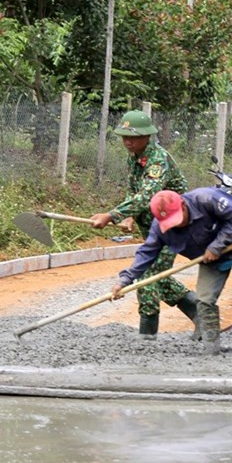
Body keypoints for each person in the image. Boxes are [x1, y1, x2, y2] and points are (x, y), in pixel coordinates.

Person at [111, 188, 232, 354]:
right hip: (210, 259)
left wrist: (217, 245)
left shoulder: (207, 199)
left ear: (184, 205)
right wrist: (124, 280)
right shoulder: (160, 227)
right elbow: (146, 253)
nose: (176, 225)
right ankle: (212, 350)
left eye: (177, 219)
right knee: (205, 300)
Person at [90, 110, 197, 339]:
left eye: (134, 137)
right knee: (157, 277)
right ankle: (200, 313)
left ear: (148, 136)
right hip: (151, 228)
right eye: (124, 137)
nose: (128, 142)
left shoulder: (157, 159)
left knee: (148, 278)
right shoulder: (134, 157)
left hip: (174, 227)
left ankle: (147, 338)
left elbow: (148, 195)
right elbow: (133, 190)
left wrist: (112, 215)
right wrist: (129, 217)